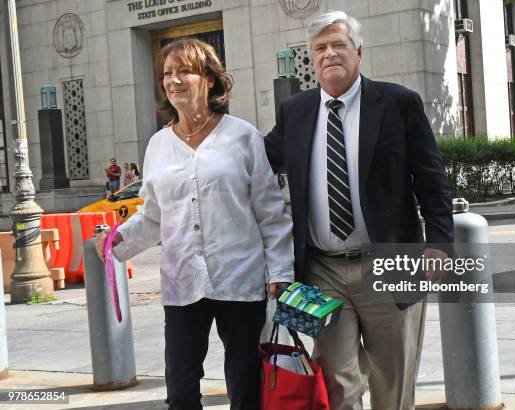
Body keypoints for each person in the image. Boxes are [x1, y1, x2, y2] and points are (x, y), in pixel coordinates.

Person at [264, 11, 454, 410]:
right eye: (320, 48)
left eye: (339, 45)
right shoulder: (295, 112)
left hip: (391, 261)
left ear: (359, 52)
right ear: (312, 59)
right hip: (322, 269)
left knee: (392, 377)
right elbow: (255, 161)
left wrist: (439, 242)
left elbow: (432, 179)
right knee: (336, 380)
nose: (330, 53)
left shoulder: (399, 103)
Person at [96, 37, 294, 410]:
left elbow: (270, 211)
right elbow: (154, 216)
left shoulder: (242, 136)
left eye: (183, 71)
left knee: (246, 384)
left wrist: (280, 271)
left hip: (240, 278)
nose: (173, 80)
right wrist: (116, 242)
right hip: (182, 281)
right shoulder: (157, 145)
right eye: (167, 73)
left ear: (209, 79)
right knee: (181, 389)